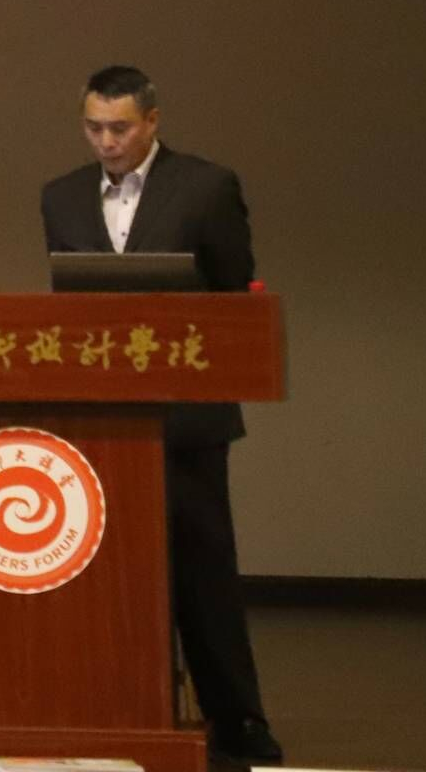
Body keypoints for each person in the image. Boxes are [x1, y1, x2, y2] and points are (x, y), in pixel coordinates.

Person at [42, 66, 282, 768]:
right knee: (103, 573)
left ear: (152, 122)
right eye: (93, 128)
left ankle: (236, 718)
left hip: (187, 415)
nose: (106, 142)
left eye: (119, 128)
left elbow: (233, 297)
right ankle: (113, 708)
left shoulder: (206, 187)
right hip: (99, 417)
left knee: (203, 572)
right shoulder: (61, 196)